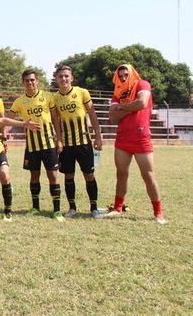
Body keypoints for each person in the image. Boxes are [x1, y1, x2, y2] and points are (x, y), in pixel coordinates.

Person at [106, 64, 167, 224]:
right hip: (123, 139)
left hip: (141, 138)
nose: (124, 78)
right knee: (121, 173)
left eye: (126, 74)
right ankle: (118, 208)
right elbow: (112, 116)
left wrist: (121, 106)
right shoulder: (117, 91)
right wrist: (127, 108)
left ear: (132, 73)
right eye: (121, 76)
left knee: (148, 175)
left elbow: (142, 103)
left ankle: (158, 213)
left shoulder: (142, 84)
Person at [9, 70, 63, 221]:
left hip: (49, 144)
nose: (30, 83)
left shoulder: (48, 96)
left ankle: (57, 210)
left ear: (37, 81)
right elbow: (8, 119)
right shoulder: (20, 101)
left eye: (32, 80)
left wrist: (59, 139)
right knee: (34, 176)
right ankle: (35, 207)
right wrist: (7, 132)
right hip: (31, 146)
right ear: (23, 83)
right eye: (26, 80)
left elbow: (55, 119)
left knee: (53, 175)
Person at [53, 65, 103, 219]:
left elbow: (92, 114)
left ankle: (94, 208)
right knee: (68, 176)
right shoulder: (54, 98)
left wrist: (98, 136)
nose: (64, 79)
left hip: (84, 143)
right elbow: (56, 121)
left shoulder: (82, 92)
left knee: (89, 175)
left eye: (66, 76)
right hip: (66, 145)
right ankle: (72, 207)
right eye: (60, 76)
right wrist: (59, 140)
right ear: (56, 79)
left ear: (72, 78)